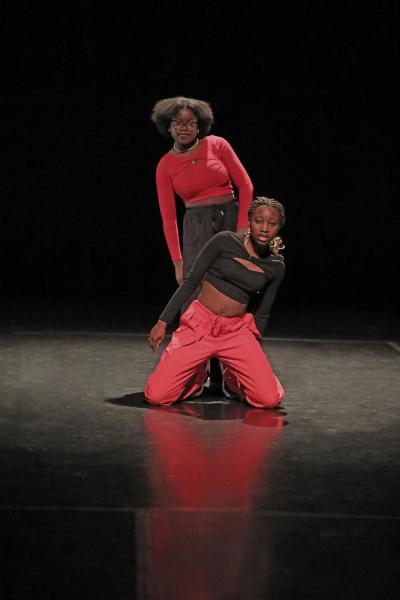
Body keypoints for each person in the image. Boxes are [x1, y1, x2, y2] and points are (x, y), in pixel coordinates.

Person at [150, 96, 254, 389]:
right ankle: (196, 372)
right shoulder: (165, 165)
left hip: (230, 222)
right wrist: (177, 261)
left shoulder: (217, 145)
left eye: (190, 122)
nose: (184, 127)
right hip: (195, 229)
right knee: (196, 298)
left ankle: (231, 373)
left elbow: (245, 185)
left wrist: (242, 230)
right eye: (177, 122)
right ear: (168, 127)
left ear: (200, 126)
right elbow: (168, 218)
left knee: (232, 292)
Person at [144, 196, 286, 409]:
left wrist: (252, 352)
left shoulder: (276, 266)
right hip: (200, 326)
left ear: (279, 226)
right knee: (157, 396)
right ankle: (198, 377)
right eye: (259, 221)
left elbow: (263, 311)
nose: (264, 228)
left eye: (272, 223)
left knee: (269, 400)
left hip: (236, 332)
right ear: (249, 220)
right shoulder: (225, 241)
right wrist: (163, 321)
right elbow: (191, 281)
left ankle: (231, 379)